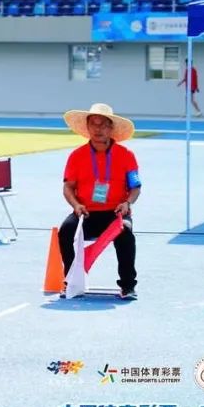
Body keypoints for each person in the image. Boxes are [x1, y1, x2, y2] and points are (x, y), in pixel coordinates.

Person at [59, 103, 142, 299]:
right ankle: (70, 281)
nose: (98, 129)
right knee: (65, 231)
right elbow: (67, 187)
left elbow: (136, 187)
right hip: (85, 212)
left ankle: (128, 285)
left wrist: (127, 203)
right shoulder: (77, 156)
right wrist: (76, 205)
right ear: (87, 128)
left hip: (116, 213)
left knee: (127, 234)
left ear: (111, 128)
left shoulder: (126, 155)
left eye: (103, 125)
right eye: (93, 124)